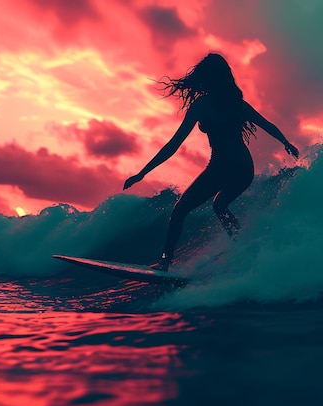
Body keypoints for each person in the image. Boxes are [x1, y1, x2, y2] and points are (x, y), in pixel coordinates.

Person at [124, 53, 299, 271]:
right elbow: (267, 124)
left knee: (180, 210)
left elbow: (174, 144)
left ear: (210, 78)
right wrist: (286, 143)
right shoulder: (238, 105)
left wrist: (142, 173)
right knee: (220, 205)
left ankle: (165, 261)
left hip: (221, 166)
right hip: (245, 168)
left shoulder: (202, 105)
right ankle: (243, 251)